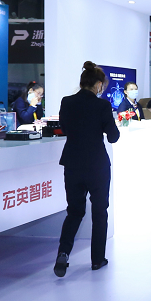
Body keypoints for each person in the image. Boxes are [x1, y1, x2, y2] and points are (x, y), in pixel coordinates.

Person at [54, 62, 119, 277]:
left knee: (74, 211)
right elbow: (113, 137)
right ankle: (97, 259)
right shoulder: (102, 106)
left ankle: (63, 253)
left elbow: (64, 128)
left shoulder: (67, 102)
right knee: (99, 212)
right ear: (99, 85)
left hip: (72, 163)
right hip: (97, 165)